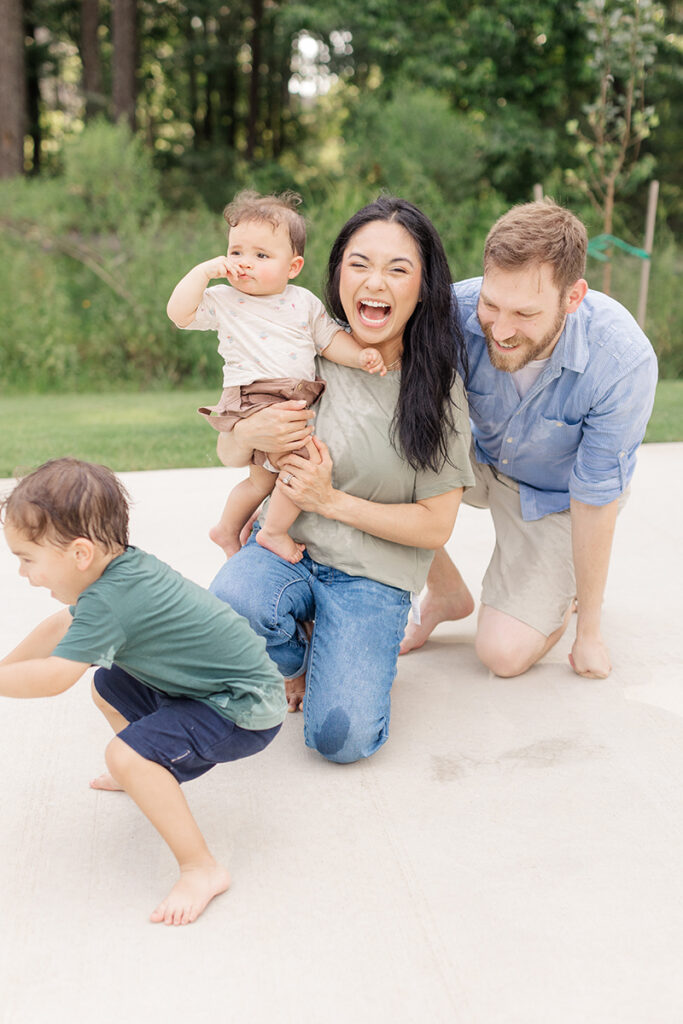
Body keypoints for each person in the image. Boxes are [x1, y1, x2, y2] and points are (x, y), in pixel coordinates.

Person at [208, 196, 475, 764]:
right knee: (234, 602)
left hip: (371, 577)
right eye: (359, 263)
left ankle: (348, 648)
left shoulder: (438, 389)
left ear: (424, 287)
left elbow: (435, 526)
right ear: (336, 274)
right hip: (288, 552)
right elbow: (232, 455)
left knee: (340, 740)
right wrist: (249, 428)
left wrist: (329, 500)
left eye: (398, 268)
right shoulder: (307, 349)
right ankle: (301, 651)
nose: (374, 282)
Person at [0, 458, 286, 926]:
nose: (22, 573)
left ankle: (201, 868)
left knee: (126, 755)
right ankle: (149, 772)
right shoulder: (117, 574)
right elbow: (58, 626)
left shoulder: (111, 601)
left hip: (241, 708)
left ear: (79, 554)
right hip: (210, 688)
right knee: (108, 684)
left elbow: (54, 678)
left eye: (26, 559)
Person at [399, 200, 658, 680]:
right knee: (379, 454)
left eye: (524, 313)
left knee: (501, 655)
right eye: (492, 304)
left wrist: (590, 635)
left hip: (560, 496)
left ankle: (563, 595)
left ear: (573, 297)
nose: (499, 328)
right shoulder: (455, 312)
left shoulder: (622, 361)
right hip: (481, 461)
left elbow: (595, 496)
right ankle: (447, 591)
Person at [167, 189, 386, 563]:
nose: (244, 263)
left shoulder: (303, 302)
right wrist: (205, 272)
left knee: (262, 480)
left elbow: (330, 340)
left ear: (293, 267)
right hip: (255, 396)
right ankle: (272, 532)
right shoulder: (225, 299)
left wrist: (360, 355)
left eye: (261, 255)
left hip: (290, 397)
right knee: (304, 464)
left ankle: (225, 528)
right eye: (236, 252)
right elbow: (179, 313)